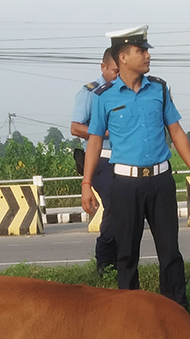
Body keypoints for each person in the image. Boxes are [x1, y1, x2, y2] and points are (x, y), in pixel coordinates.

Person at [80, 25, 190, 310]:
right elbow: (95, 142)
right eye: (141, 50)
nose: (148, 55)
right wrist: (86, 184)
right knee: (126, 254)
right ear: (123, 57)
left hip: (161, 182)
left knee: (170, 252)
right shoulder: (103, 96)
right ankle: (131, 313)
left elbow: (176, 131)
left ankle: (176, 311)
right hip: (125, 185)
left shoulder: (159, 89)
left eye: (146, 50)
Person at [71, 48, 120, 276]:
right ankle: (105, 258)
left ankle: (121, 257)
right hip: (100, 158)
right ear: (103, 67)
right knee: (115, 203)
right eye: (114, 71)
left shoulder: (124, 91)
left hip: (123, 158)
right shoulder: (91, 92)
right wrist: (106, 132)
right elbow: (75, 127)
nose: (118, 76)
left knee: (126, 207)